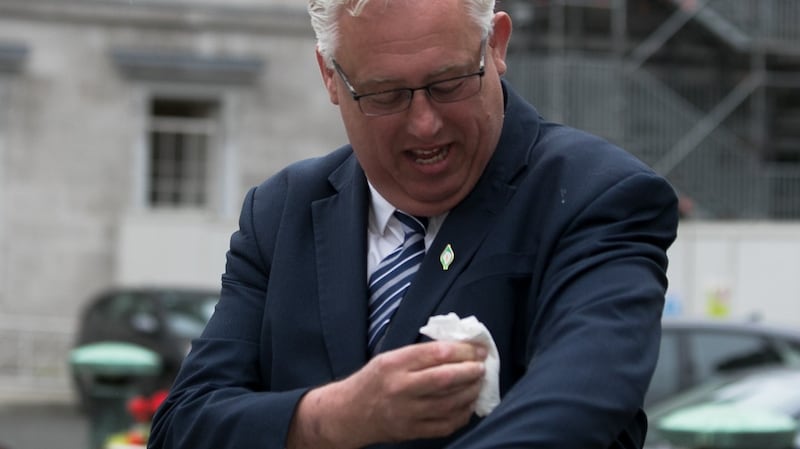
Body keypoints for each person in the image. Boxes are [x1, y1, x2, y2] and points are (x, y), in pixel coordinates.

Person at [148, 0, 679, 448]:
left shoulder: (596, 195)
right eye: (385, 95)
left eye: (449, 83)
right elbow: (182, 427)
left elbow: (576, 406)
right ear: (330, 76)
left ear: (496, 45)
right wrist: (334, 416)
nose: (425, 124)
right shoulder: (281, 211)